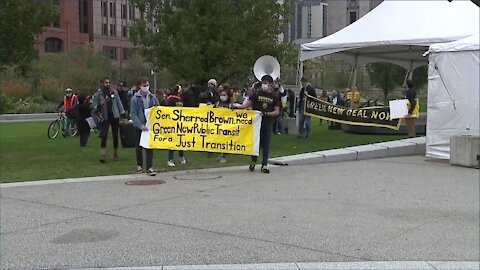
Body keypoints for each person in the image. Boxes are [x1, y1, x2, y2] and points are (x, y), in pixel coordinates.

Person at [233, 75, 280, 173]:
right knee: (256, 144)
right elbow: (245, 105)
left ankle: (264, 165)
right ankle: (253, 161)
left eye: (266, 83)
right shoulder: (256, 95)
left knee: (266, 144)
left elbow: (277, 111)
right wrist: (235, 106)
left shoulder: (274, 97)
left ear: (270, 84)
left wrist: (267, 113)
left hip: (267, 123)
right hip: (256, 124)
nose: (264, 85)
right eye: (263, 83)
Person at [91, 77, 126, 163]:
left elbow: (118, 103)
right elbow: (92, 104)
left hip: (114, 116)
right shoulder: (98, 94)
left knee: (115, 136)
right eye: (106, 83)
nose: (108, 84)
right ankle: (103, 154)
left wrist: (123, 113)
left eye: (109, 82)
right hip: (105, 117)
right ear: (102, 84)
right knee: (104, 136)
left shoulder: (114, 92)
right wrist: (99, 105)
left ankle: (115, 153)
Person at [130, 77, 159, 176]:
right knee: (138, 146)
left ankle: (150, 167)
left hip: (150, 125)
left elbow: (157, 110)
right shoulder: (135, 98)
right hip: (139, 126)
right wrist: (140, 125)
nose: (146, 87)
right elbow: (133, 113)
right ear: (139, 86)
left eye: (147, 85)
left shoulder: (153, 97)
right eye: (144, 85)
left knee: (149, 147)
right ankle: (139, 166)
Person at [166, 84, 186, 167]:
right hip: (173, 122)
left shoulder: (181, 99)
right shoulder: (171, 99)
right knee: (173, 141)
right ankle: (170, 159)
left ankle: (181, 157)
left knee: (180, 140)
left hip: (180, 122)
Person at [214, 89, 233, 163]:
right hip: (218, 125)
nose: (222, 96)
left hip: (227, 125)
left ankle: (224, 157)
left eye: (224, 95)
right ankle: (220, 155)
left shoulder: (230, 105)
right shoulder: (217, 103)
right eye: (221, 95)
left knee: (226, 141)